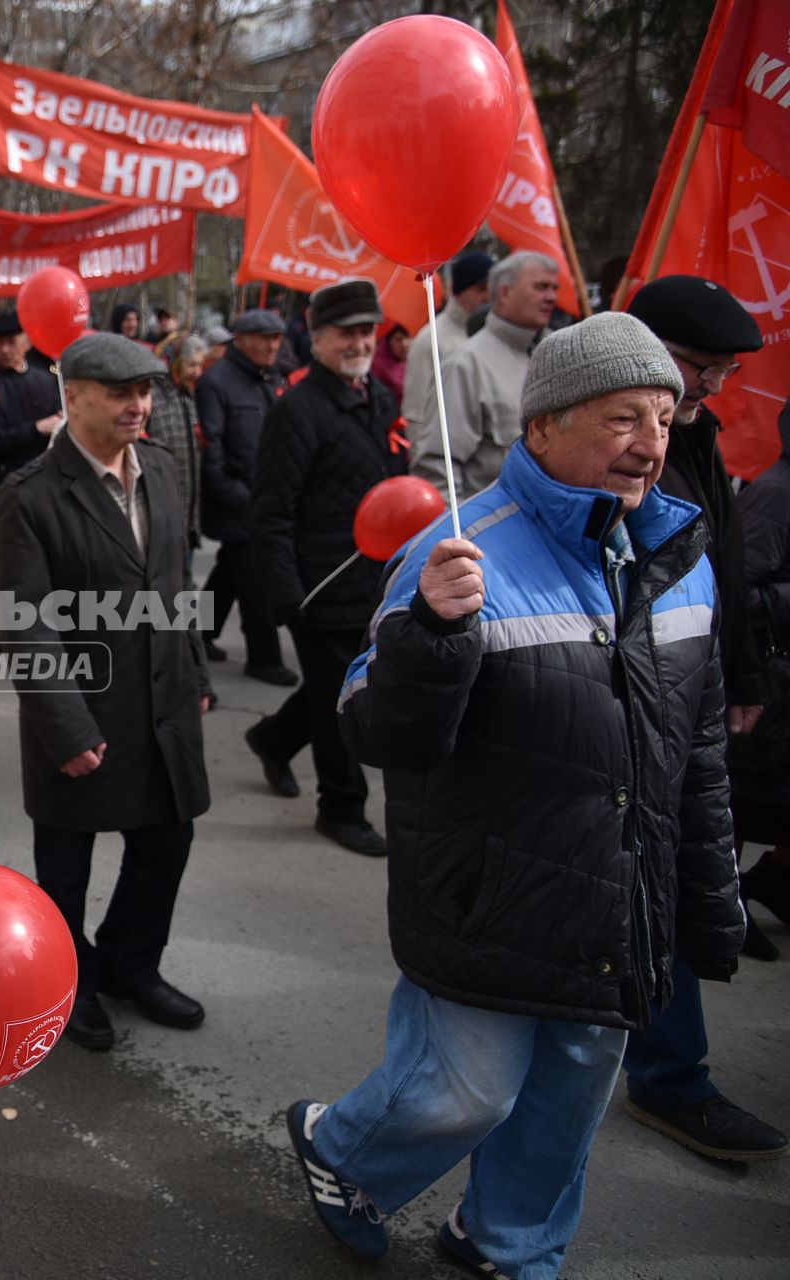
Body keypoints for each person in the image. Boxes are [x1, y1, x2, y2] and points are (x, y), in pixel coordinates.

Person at [288, 312, 744, 1280]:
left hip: (619, 900)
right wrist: (432, 640)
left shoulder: (682, 559)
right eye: (622, 416)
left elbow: (697, 754)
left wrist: (709, 897)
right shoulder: (458, 555)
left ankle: (508, 1243)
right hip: (487, 894)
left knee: (569, 1094)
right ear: (541, 426)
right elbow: (379, 733)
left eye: (663, 418)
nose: (650, 442)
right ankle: (343, 1150)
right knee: (465, 1092)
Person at [0, 332, 213, 1052]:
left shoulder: (162, 468)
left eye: (144, 391)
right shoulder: (30, 496)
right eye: (120, 392)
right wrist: (67, 727)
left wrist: (198, 677)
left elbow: (175, 585)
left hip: (165, 706)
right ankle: (70, 986)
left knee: (165, 843)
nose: (138, 405)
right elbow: (25, 621)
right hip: (83, 713)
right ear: (74, 394)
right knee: (66, 868)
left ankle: (129, 966)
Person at [613, 274, 786, 1161]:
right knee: (655, 876)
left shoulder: (701, 434)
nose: (710, 387)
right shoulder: (602, 441)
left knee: (685, 868)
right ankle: (668, 1076)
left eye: (720, 373)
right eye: (696, 367)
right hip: (630, 697)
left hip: (698, 686)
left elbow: (727, 559)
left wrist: (743, 668)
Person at [247, 280, 405, 856]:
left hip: (373, 580)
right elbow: (271, 512)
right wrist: (288, 595)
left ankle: (272, 738)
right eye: (346, 333)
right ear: (317, 338)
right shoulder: (296, 411)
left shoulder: (380, 399)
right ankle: (340, 807)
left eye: (368, 331)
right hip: (318, 587)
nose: (359, 342)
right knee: (346, 701)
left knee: (331, 688)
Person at [197, 309, 294, 685]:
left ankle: (198, 633)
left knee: (230, 572)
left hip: (266, 497)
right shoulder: (217, 382)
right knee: (254, 578)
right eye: (264, 338)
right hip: (239, 501)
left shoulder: (271, 377)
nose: (273, 345)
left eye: (277, 338)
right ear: (242, 338)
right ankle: (264, 657)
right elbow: (212, 449)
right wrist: (238, 495)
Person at [417, 251, 561, 495]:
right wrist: (461, 531)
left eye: (554, 288)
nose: (551, 297)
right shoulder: (466, 365)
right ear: (505, 292)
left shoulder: (561, 356)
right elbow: (439, 470)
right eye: (541, 287)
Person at [734, 403, 790, 956]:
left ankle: (774, 881)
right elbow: (739, 588)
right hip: (769, 681)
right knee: (744, 799)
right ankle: (727, 900)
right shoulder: (777, 493)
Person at [0, 311, 62, 611]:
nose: (5, 349)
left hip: (42, 479)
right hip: (4, 481)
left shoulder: (45, 380)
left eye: (11, 342)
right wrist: (37, 428)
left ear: (26, 341)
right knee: (7, 556)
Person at [402, 249, 493, 457]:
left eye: (492, 288)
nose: (488, 296)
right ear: (458, 290)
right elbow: (416, 414)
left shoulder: (494, 337)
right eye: (480, 288)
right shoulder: (431, 340)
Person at [147, 335, 204, 555]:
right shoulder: (154, 394)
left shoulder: (189, 394)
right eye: (191, 365)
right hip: (162, 507)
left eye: (200, 365)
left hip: (189, 511)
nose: (197, 372)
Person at [369, 324, 410, 405]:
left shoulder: (408, 362)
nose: (404, 344)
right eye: (398, 339)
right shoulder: (378, 365)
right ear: (389, 343)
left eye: (406, 338)